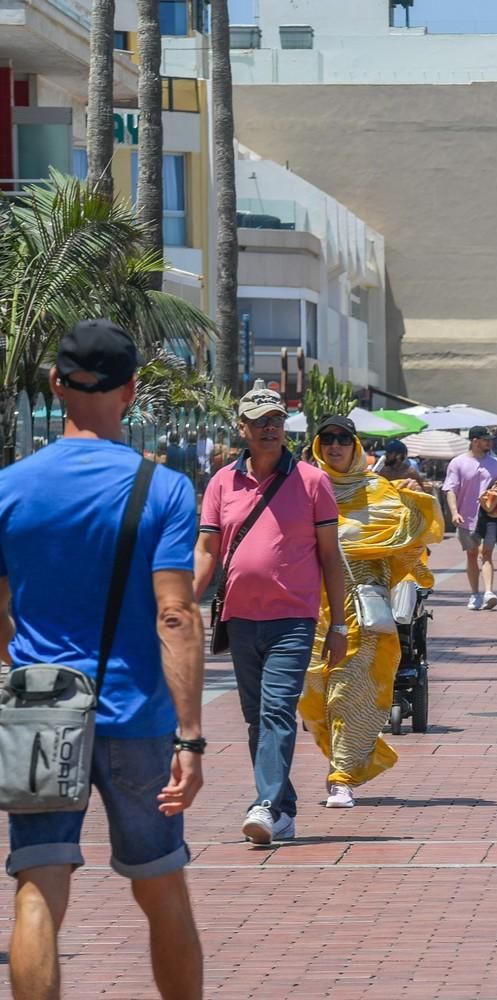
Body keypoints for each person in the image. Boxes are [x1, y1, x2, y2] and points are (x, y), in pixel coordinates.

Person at [0, 321, 206, 998]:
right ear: (131, 391)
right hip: (136, 715)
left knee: (38, 886)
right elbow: (174, 614)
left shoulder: (10, 489)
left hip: (37, 709)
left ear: (56, 385)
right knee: (161, 885)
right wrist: (191, 735)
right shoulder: (164, 490)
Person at [195, 380, 347, 846]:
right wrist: (178, 604)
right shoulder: (222, 481)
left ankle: (264, 803)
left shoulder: (312, 482)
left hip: (292, 620)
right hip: (239, 618)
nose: (269, 429)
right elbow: (207, 550)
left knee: (278, 711)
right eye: (260, 422)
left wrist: (339, 624)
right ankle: (283, 809)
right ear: (242, 428)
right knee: (256, 717)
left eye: (276, 421)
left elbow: (330, 557)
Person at [300, 416, 442, 808]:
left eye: (343, 438)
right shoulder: (305, 488)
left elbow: (407, 537)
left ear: (355, 445)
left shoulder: (379, 491)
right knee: (311, 699)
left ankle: (342, 776)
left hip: (361, 609)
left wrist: (415, 501)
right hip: (312, 608)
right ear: (317, 445)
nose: (334, 445)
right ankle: (345, 760)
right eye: (326, 438)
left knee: (350, 693)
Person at [442, 427, 497, 610]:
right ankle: (474, 594)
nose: (490, 442)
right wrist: (454, 512)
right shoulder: (458, 463)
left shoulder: (495, 463)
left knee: (486, 552)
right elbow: (450, 489)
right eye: (486, 440)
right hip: (466, 517)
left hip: (490, 516)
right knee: (471, 554)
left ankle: (489, 592)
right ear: (475, 440)